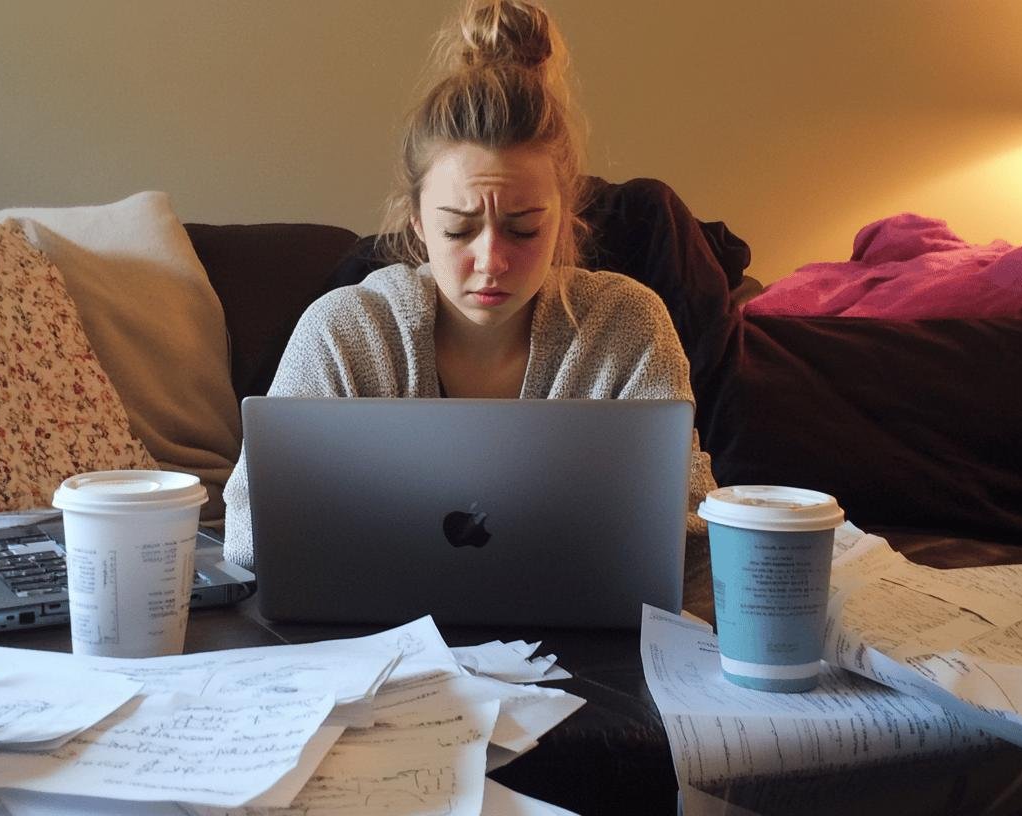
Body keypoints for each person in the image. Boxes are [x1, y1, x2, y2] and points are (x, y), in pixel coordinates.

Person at [223, 0, 717, 571]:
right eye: (458, 229)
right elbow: (251, 535)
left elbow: (692, 533)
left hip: (581, 653)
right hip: (378, 648)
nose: (491, 261)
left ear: (564, 217)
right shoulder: (345, 331)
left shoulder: (627, 326)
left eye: (524, 228)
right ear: (416, 222)